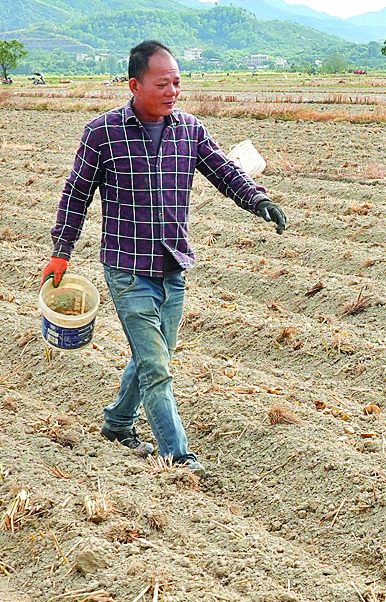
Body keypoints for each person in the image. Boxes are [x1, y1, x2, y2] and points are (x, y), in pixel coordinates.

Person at [44, 40, 288, 475]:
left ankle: (118, 421)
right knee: (157, 365)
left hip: (173, 263)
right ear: (135, 85)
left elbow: (225, 172)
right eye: (163, 83)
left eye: (177, 82)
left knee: (155, 353)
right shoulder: (103, 133)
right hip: (125, 266)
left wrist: (259, 201)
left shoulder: (189, 130)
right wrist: (61, 253)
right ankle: (178, 455)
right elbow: (76, 194)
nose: (173, 90)